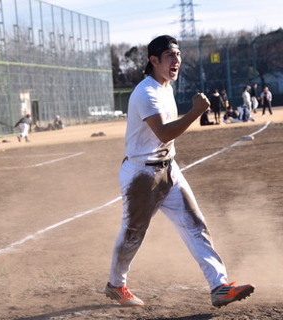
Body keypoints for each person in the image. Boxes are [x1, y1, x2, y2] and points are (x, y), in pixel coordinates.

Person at [104, 35, 255, 308]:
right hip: (142, 176)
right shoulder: (146, 92)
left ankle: (219, 285)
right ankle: (116, 285)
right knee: (134, 232)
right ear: (154, 60)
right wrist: (195, 112)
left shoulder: (165, 88)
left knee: (197, 225)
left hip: (169, 170)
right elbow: (162, 132)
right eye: (171, 55)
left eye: (178, 55)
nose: (177, 61)